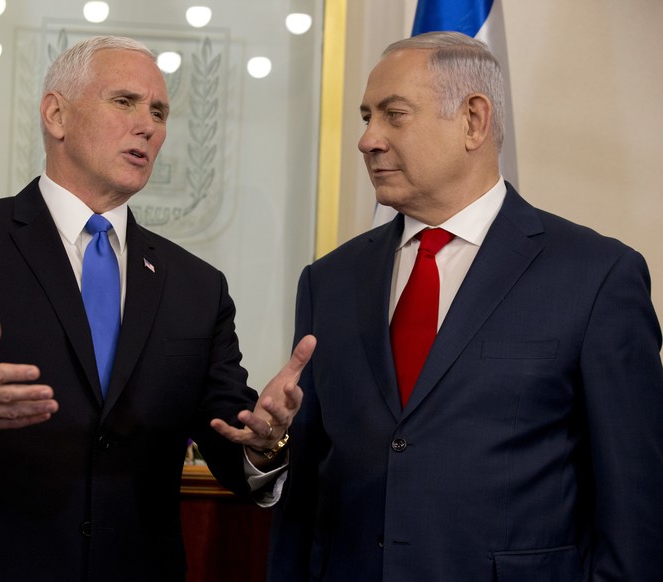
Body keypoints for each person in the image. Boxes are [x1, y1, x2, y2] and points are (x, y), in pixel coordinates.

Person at [0, 35, 314, 581]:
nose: (148, 125)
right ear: (56, 114)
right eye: (124, 102)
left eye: (160, 111)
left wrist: (267, 441)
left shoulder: (197, 285)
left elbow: (230, 433)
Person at [268, 31, 663, 581]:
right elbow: (307, 495)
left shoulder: (596, 276)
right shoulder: (327, 280)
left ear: (473, 120)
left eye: (393, 115)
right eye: (365, 117)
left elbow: (635, 506)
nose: (367, 140)